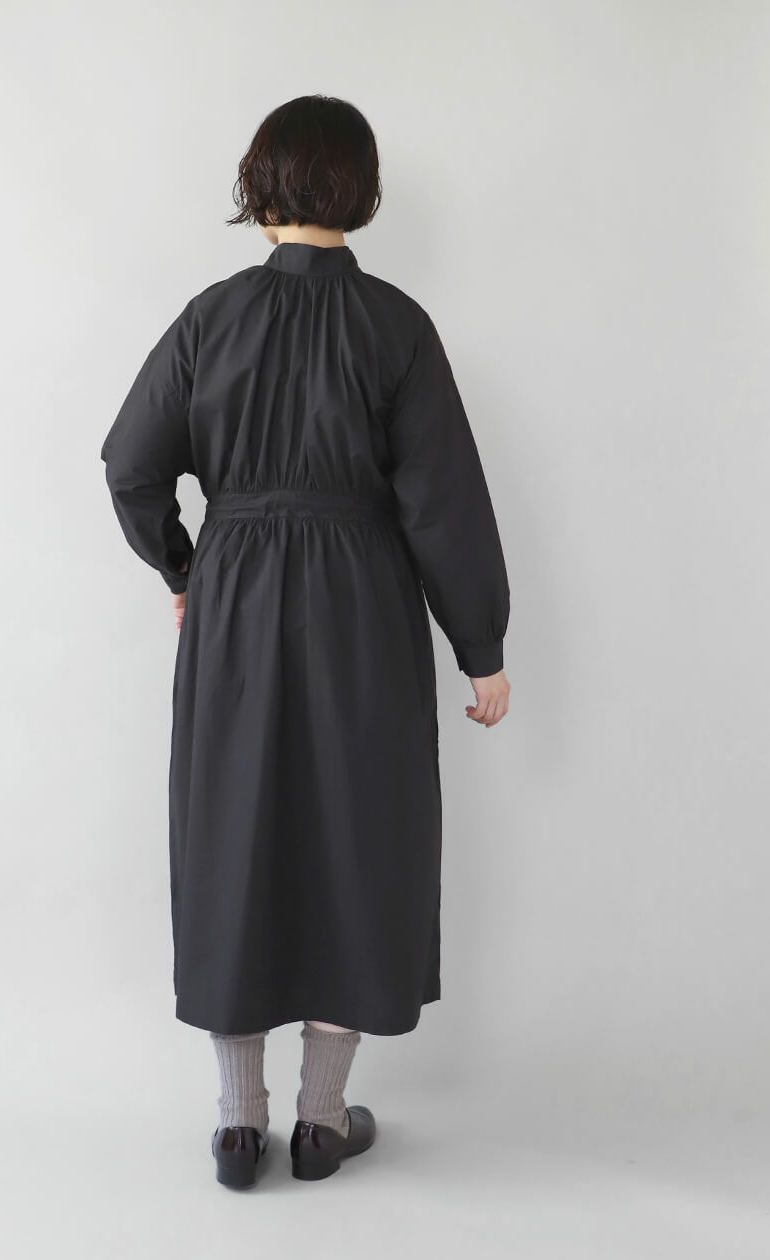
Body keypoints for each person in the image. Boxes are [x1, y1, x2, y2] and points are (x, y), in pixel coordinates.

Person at [101, 94, 510, 1189]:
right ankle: (320, 1123)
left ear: (259, 183)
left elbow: (131, 464)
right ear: (360, 190)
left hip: (234, 599)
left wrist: (185, 569)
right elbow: (443, 504)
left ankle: (240, 1126)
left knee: (230, 831)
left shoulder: (210, 318)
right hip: (360, 603)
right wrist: (479, 645)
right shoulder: (395, 327)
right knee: (357, 835)